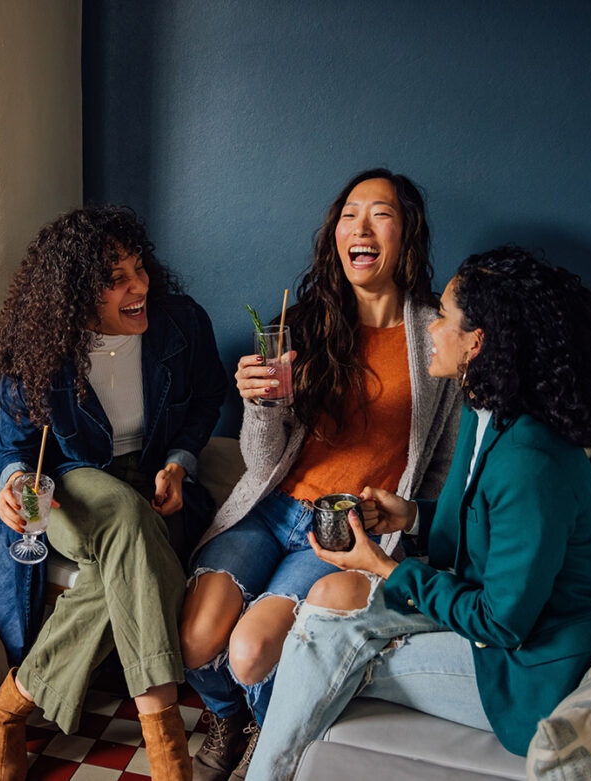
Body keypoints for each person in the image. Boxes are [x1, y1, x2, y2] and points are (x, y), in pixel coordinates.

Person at [247, 246, 591, 780]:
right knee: (324, 611)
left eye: (444, 317)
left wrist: (383, 567)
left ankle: (263, 773)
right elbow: (480, 531)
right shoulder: (486, 412)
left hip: (529, 667)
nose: (429, 328)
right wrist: (411, 517)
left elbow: (501, 623)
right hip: (497, 617)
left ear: (478, 341)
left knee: (324, 646)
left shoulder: (531, 461)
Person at [179, 169, 463, 780]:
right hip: (271, 507)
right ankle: (232, 718)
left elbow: (440, 460)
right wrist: (259, 404)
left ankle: (268, 727)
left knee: (251, 651)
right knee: (197, 641)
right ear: (335, 233)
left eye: (380, 213)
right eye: (348, 213)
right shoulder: (305, 322)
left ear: (407, 232)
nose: (360, 226)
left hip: (346, 526)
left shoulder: (436, 333)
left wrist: (414, 524)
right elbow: (261, 461)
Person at [0, 205, 227, 781]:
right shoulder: (38, 351)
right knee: (123, 514)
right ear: (73, 295)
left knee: (127, 552)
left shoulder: (182, 323)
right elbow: (13, 448)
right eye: (117, 280)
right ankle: (167, 753)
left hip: (155, 476)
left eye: (139, 268)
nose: (138, 286)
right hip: (74, 480)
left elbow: (209, 398)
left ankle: (11, 708)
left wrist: (178, 464)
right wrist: (13, 485)